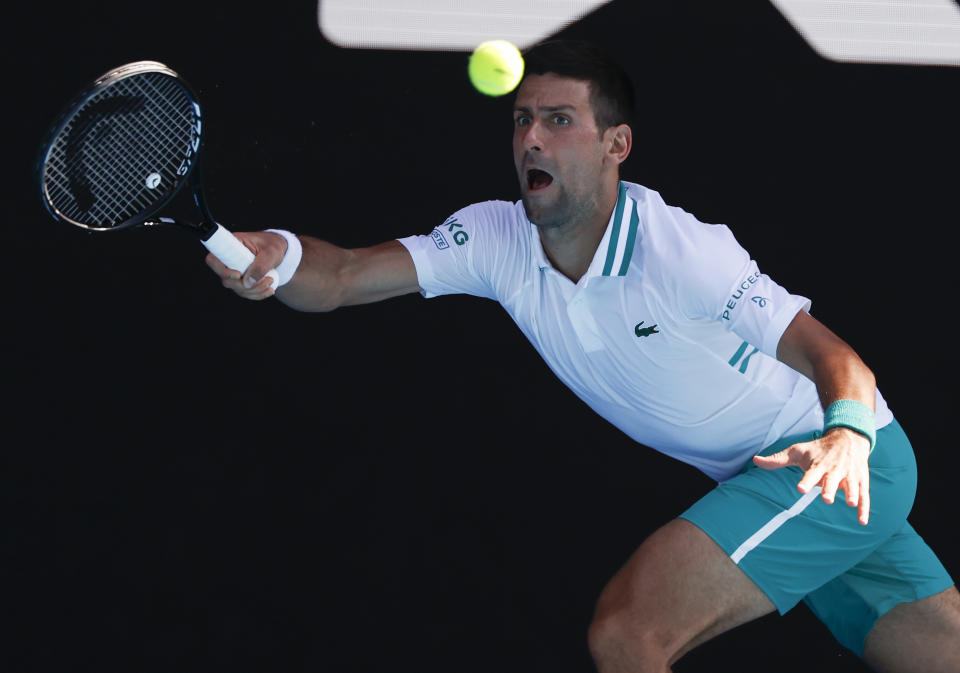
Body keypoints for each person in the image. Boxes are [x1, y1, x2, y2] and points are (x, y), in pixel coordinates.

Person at [206, 40, 960, 672]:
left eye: (559, 120)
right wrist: (282, 255)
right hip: (776, 476)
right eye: (522, 119)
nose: (531, 137)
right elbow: (339, 279)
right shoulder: (496, 240)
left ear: (615, 144)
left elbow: (839, 359)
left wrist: (846, 436)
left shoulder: (681, 253)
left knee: (629, 630)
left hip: (830, 462)